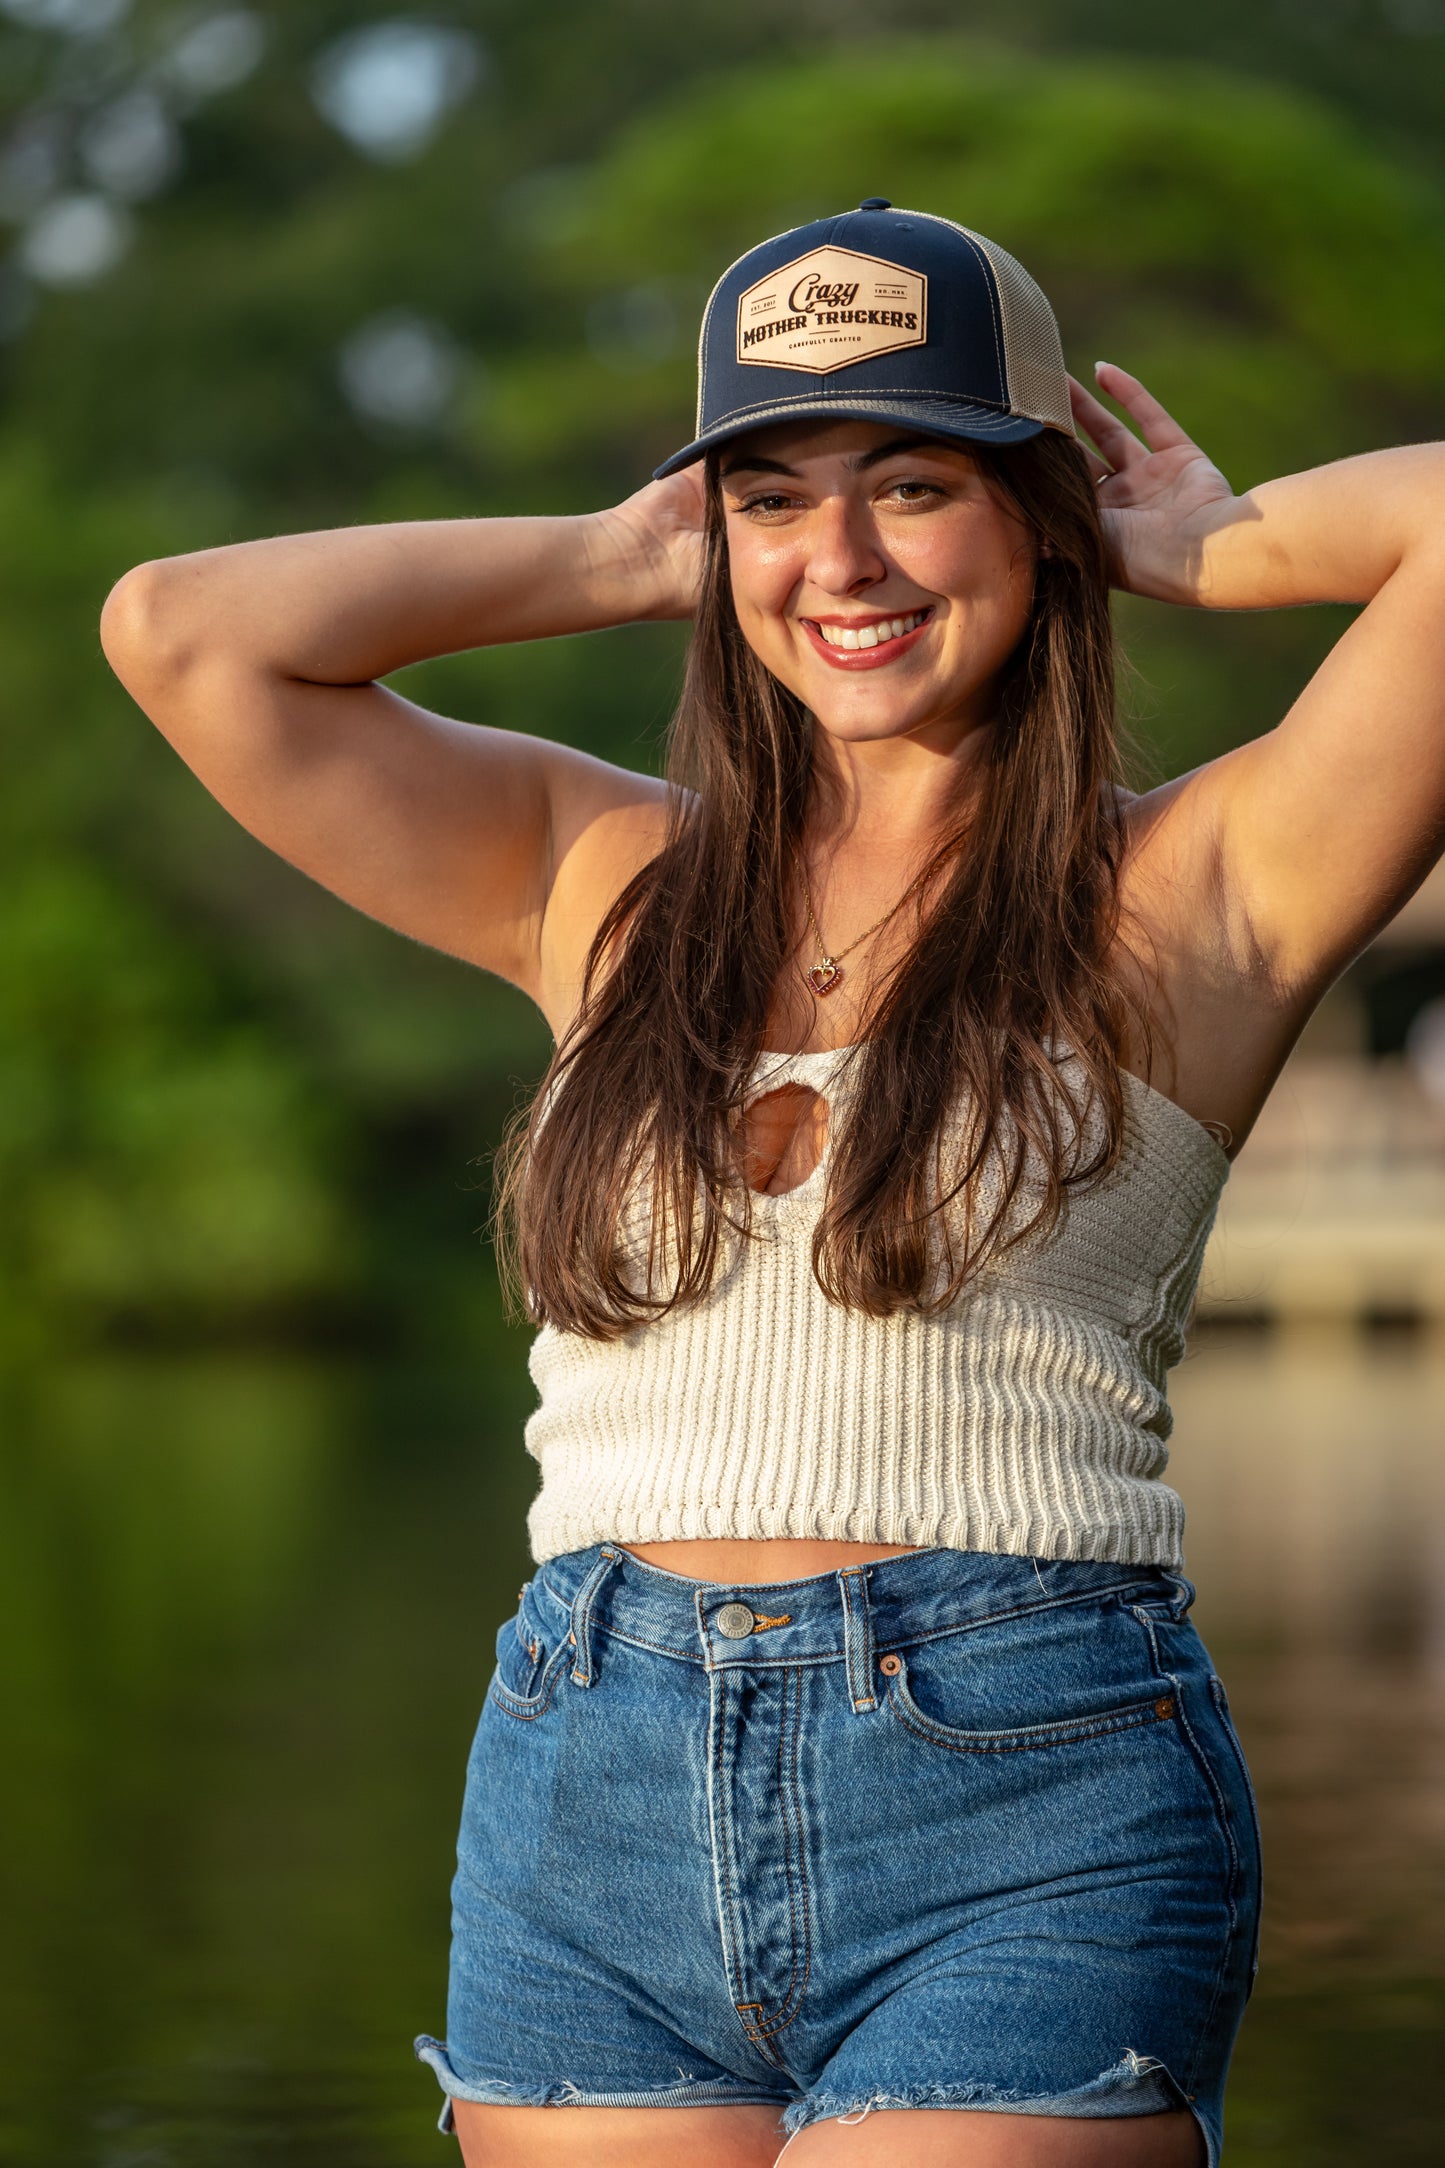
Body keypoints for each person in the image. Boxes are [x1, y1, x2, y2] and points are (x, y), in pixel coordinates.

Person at [99, 201, 1445, 2168]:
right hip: (589, 1772)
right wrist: (613, 550)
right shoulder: (596, 873)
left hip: (1027, 1789)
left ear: (1036, 521)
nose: (844, 558)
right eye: (775, 495)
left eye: (915, 482)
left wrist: (1199, 548)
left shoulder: (1200, 893)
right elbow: (180, 632)